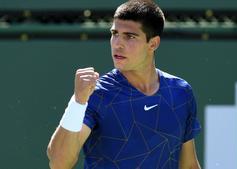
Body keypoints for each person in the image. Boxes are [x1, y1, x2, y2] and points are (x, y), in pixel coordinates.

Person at [47, 0, 201, 168]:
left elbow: (189, 165)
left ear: (153, 43)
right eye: (115, 33)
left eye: (129, 36)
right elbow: (59, 163)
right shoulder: (97, 94)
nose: (117, 44)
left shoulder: (181, 92)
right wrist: (77, 103)